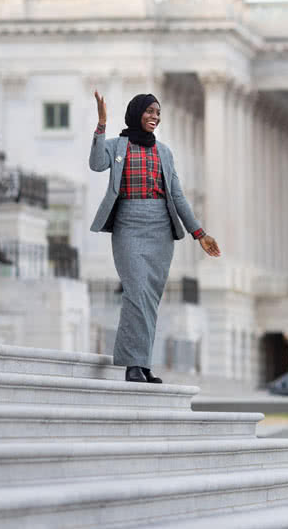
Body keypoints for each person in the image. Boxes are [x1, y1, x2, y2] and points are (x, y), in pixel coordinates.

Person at [89, 90, 221, 383]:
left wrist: (200, 233)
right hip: (128, 226)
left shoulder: (164, 152)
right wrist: (101, 124)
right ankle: (132, 365)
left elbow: (177, 196)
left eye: (158, 113)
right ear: (137, 112)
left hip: (160, 229)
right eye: (150, 111)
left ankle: (143, 363)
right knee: (135, 292)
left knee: (149, 299)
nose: (155, 117)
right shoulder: (117, 145)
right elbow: (96, 164)